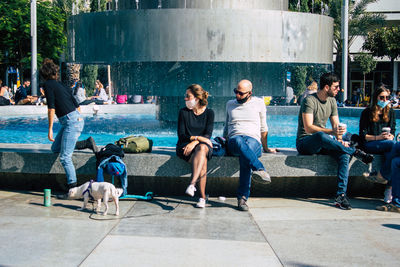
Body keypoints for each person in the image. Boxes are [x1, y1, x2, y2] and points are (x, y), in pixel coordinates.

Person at [296, 72, 374, 210]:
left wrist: (339, 140)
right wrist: (332, 133)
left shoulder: (332, 101)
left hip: (325, 141)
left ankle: (341, 196)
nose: (339, 90)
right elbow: (308, 128)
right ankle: (355, 151)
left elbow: (336, 126)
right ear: (327, 87)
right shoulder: (309, 101)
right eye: (336, 87)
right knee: (320, 135)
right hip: (306, 143)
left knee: (344, 155)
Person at [40, 58, 96, 199]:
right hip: (73, 120)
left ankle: (73, 190)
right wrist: (76, 119)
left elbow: (51, 107)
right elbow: (76, 105)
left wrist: (50, 128)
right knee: (55, 148)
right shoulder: (61, 85)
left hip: (71, 122)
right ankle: (86, 143)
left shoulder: (48, 85)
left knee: (65, 157)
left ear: (44, 74)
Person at [223, 79, 277, 211]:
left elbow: (264, 128)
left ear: (250, 93)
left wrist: (266, 148)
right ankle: (259, 169)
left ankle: (242, 198)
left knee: (245, 154)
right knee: (238, 141)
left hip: (254, 141)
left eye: (241, 93)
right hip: (234, 141)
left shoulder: (258, 103)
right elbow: (226, 126)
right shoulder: (230, 104)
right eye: (236, 92)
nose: (237, 95)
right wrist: (223, 141)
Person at [176, 84, 214, 208]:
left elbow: (207, 135)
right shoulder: (183, 112)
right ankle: (202, 198)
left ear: (197, 99)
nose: (185, 99)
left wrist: (196, 141)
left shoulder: (209, 113)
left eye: (188, 96)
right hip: (185, 147)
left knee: (202, 148)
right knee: (202, 162)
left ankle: (192, 184)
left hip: (202, 145)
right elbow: (181, 135)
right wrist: (197, 138)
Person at [359, 86, 396, 204]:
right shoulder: (367, 112)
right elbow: (362, 135)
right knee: (394, 146)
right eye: (382, 97)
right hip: (371, 144)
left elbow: (393, 131)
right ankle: (384, 178)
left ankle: (388, 188)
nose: (384, 100)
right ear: (376, 98)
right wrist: (378, 137)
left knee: (393, 152)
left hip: (386, 144)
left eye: (387, 97)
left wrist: (391, 136)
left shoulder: (390, 112)